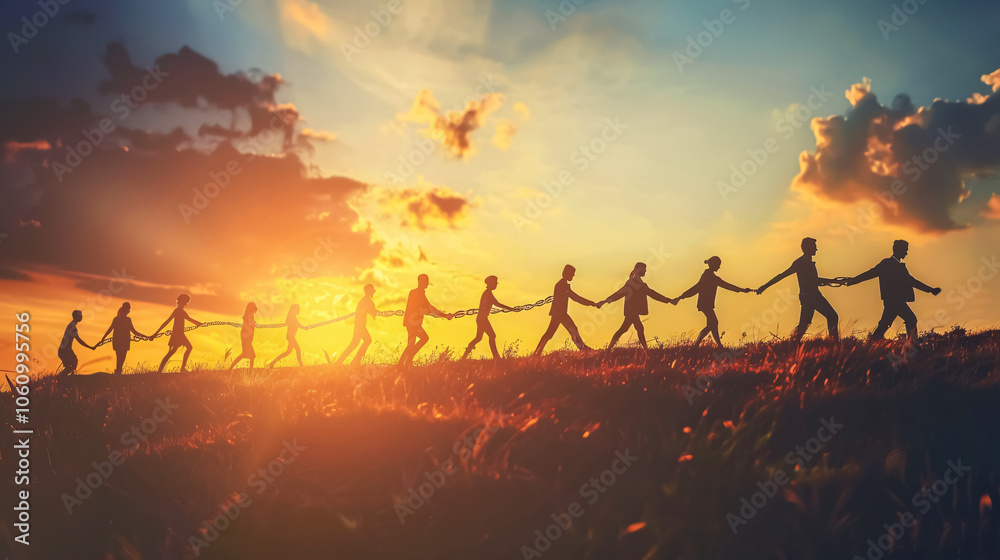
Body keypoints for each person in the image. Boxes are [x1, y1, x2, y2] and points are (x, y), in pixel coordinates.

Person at [845, 239, 941, 339]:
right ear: (898, 250)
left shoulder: (899, 266)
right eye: (905, 250)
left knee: (884, 325)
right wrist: (852, 281)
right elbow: (870, 273)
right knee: (911, 319)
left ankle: (872, 343)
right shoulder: (886, 264)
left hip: (893, 301)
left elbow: (911, 281)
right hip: (895, 301)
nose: (906, 253)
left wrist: (930, 289)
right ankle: (913, 345)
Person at [757, 237, 841, 342]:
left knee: (804, 324)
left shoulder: (805, 262)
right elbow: (783, 276)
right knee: (832, 316)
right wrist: (764, 286)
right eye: (814, 247)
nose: (817, 249)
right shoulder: (800, 263)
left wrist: (832, 281)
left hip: (809, 296)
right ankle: (834, 343)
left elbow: (814, 281)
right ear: (807, 248)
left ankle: (792, 344)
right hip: (812, 297)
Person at [675, 256, 753, 348]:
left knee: (711, 324)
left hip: (705, 304)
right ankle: (715, 345)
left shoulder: (708, 276)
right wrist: (742, 290)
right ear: (713, 265)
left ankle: (702, 345)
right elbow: (726, 286)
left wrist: (682, 296)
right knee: (714, 323)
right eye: (718, 265)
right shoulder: (710, 277)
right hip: (705, 305)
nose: (719, 267)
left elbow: (696, 288)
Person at [599, 262, 673, 350]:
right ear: (638, 270)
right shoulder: (631, 283)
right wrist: (606, 301)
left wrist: (668, 300)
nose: (645, 271)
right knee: (637, 328)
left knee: (626, 329)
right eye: (644, 269)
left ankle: (609, 349)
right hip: (631, 311)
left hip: (633, 312)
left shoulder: (642, 285)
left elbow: (653, 294)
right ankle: (646, 350)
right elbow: (619, 293)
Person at [534, 265, 602, 356]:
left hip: (560, 314)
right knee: (554, 333)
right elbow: (576, 298)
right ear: (567, 273)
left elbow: (575, 297)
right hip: (560, 314)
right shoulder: (562, 285)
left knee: (552, 333)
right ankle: (582, 348)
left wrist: (591, 303)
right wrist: (592, 303)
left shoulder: (562, 284)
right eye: (572, 274)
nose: (573, 276)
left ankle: (537, 353)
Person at [397, 275, 454, 367]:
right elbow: (427, 306)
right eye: (426, 281)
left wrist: (441, 314)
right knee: (420, 340)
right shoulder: (418, 293)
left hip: (412, 323)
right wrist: (444, 315)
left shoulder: (416, 292)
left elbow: (426, 307)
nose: (427, 283)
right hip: (413, 324)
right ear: (421, 282)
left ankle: (404, 362)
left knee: (414, 343)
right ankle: (403, 363)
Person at [463, 275, 514, 360]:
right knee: (492, 335)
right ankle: (496, 357)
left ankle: (464, 356)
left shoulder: (488, 293)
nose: (496, 285)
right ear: (491, 284)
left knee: (479, 338)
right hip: (482, 319)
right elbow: (497, 304)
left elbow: (495, 304)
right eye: (495, 283)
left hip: (481, 318)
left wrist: (509, 308)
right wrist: (509, 308)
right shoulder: (487, 293)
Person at [152, 294, 203, 373]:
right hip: (178, 335)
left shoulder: (180, 311)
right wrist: (155, 333)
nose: (185, 304)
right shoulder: (179, 311)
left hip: (179, 335)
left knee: (174, 351)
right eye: (186, 302)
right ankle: (181, 368)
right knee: (184, 349)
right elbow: (167, 322)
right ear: (183, 302)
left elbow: (167, 322)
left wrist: (199, 323)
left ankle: (161, 371)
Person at [97, 302, 149, 375]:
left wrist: (103, 337)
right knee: (121, 358)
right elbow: (135, 332)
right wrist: (147, 337)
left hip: (118, 341)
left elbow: (110, 329)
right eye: (128, 309)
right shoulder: (126, 320)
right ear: (126, 310)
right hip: (124, 341)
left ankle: (118, 372)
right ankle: (118, 372)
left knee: (119, 357)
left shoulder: (117, 319)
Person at [337, 284, 379, 365]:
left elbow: (371, 311)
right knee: (363, 341)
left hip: (360, 325)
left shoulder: (365, 300)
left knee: (357, 343)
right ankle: (354, 361)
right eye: (373, 289)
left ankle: (345, 362)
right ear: (369, 291)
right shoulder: (366, 300)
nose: (375, 291)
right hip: (360, 326)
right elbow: (373, 312)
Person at [58, 310, 95, 376]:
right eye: (80, 315)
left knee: (71, 364)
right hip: (65, 350)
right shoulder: (73, 328)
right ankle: (61, 377)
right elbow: (79, 341)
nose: (81, 317)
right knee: (74, 363)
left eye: (81, 315)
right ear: (75, 316)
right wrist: (90, 347)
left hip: (64, 350)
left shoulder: (71, 325)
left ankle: (64, 378)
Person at [229, 302, 258, 370]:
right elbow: (250, 323)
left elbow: (249, 323)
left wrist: (252, 323)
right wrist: (253, 323)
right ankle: (231, 368)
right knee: (248, 355)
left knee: (249, 355)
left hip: (246, 335)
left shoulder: (247, 314)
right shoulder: (249, 314)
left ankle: (231, 368)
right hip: (246, 336)